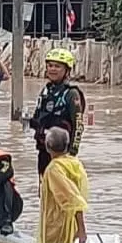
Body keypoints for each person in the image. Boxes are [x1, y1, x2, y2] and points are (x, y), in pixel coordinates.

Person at [36, 126, 89, 243]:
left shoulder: (54, 170)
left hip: (56, 228)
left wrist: (82, 228)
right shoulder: (74, 164)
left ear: (47, 147)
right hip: (69, 225)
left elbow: (73, 199)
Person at [32, 48, 85, 177]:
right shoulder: (46, 91)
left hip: (62, 154)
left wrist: (72, 153)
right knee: (44, 190)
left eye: (57, 66)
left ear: (67, 70)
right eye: (50, 66)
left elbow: (78, 125)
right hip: (44, 151)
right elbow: (38, 118)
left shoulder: (71, 94)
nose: (52, 69)